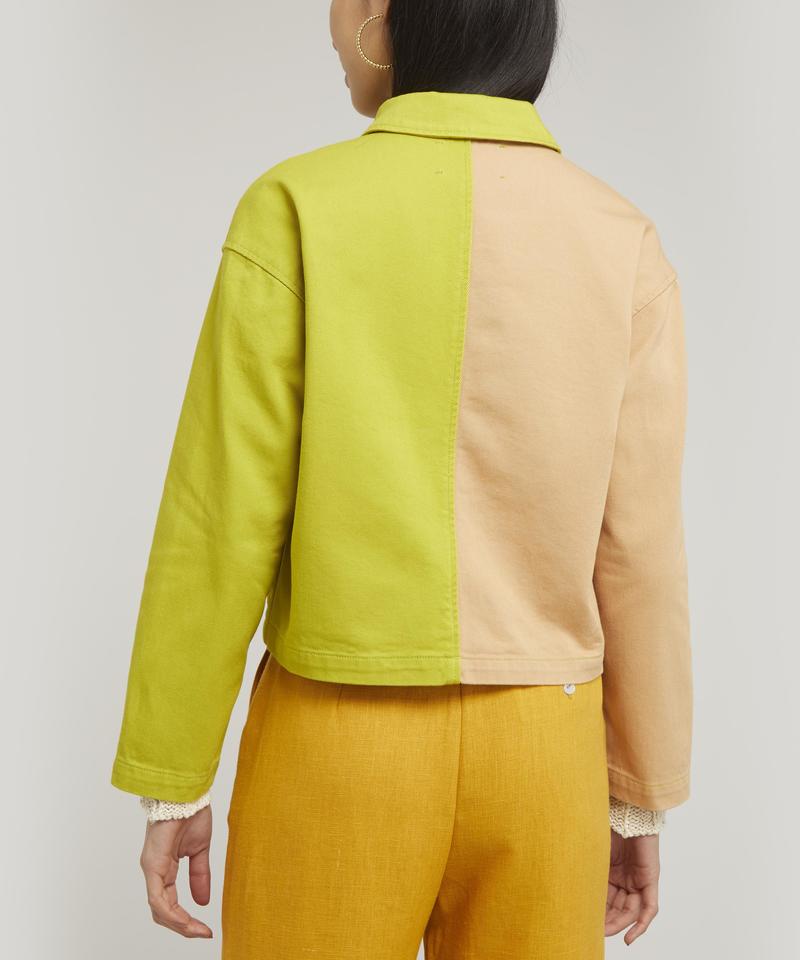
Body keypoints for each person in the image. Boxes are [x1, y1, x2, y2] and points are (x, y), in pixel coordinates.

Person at [110, 1, 692, 956]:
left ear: (382, 16)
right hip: (545, 752)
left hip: (336, 741)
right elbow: (641, 548)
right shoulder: (621, 238)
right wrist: (639, 793)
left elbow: (221, 516)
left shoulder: (296, 206)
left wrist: (172, 775)